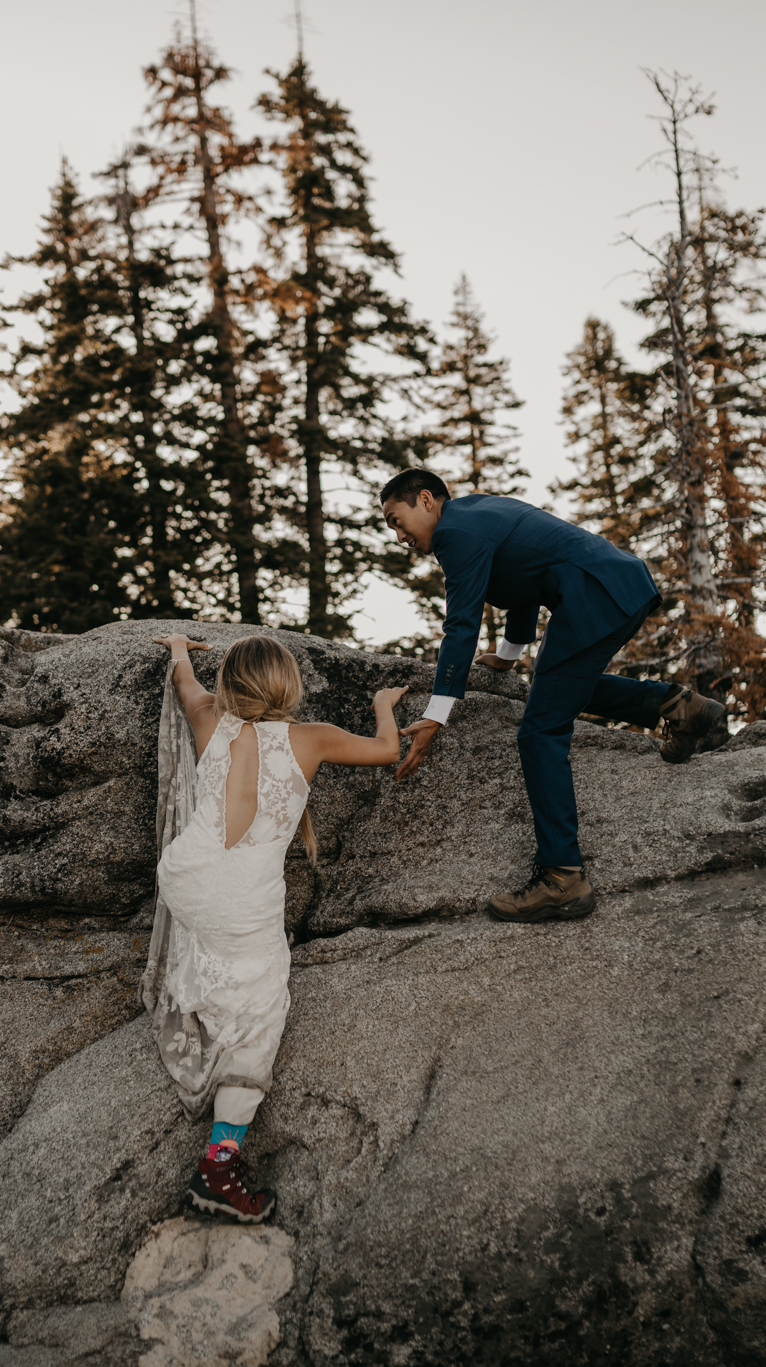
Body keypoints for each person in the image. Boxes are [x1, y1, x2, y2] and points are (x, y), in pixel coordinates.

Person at [379, 468, 726, 923]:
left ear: (426, 500)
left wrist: (436, 714)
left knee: (540, 731)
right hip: (614, 586)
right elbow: (523, 583)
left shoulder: (456, 532)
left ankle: (562, 877)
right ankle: (682, 708)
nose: (398, 534)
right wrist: (507, 655)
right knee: (555, 691)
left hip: (596, 594)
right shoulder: (476, 512)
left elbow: (460, 627)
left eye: (396, 519)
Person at [145, 632, 407, 1224]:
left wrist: (181, 647)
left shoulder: (209, 718)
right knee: (263, 1007)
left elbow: (185, 681)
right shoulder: (310, 738)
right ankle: (219, 1165)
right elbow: (388, 750)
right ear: (288, 684)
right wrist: (384, 705)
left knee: (222, 953)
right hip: (240, 898)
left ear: (229, 685)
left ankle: (208, 994)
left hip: (185, 876)